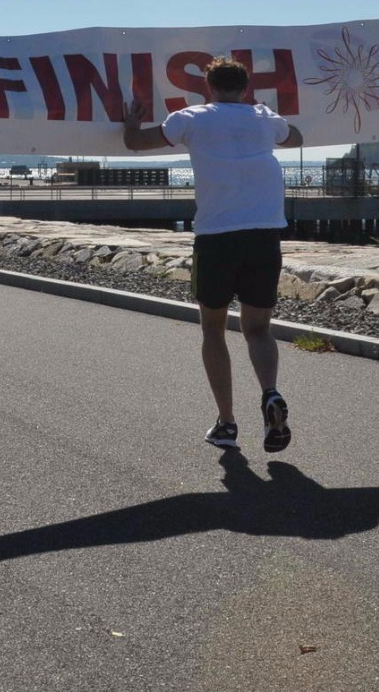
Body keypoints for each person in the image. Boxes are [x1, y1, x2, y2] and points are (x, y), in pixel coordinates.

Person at [123, 56, 303, 452]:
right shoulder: (263, 116)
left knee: (213, 329)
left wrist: (130, 124)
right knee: (258, 329)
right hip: (264, 234)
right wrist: (269, 121)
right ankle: (270, 392)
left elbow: (135, 143)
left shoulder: (191, 117)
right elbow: (296, 138)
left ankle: (227, 423)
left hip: (217, 236)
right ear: (245, 87)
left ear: (208, 86)